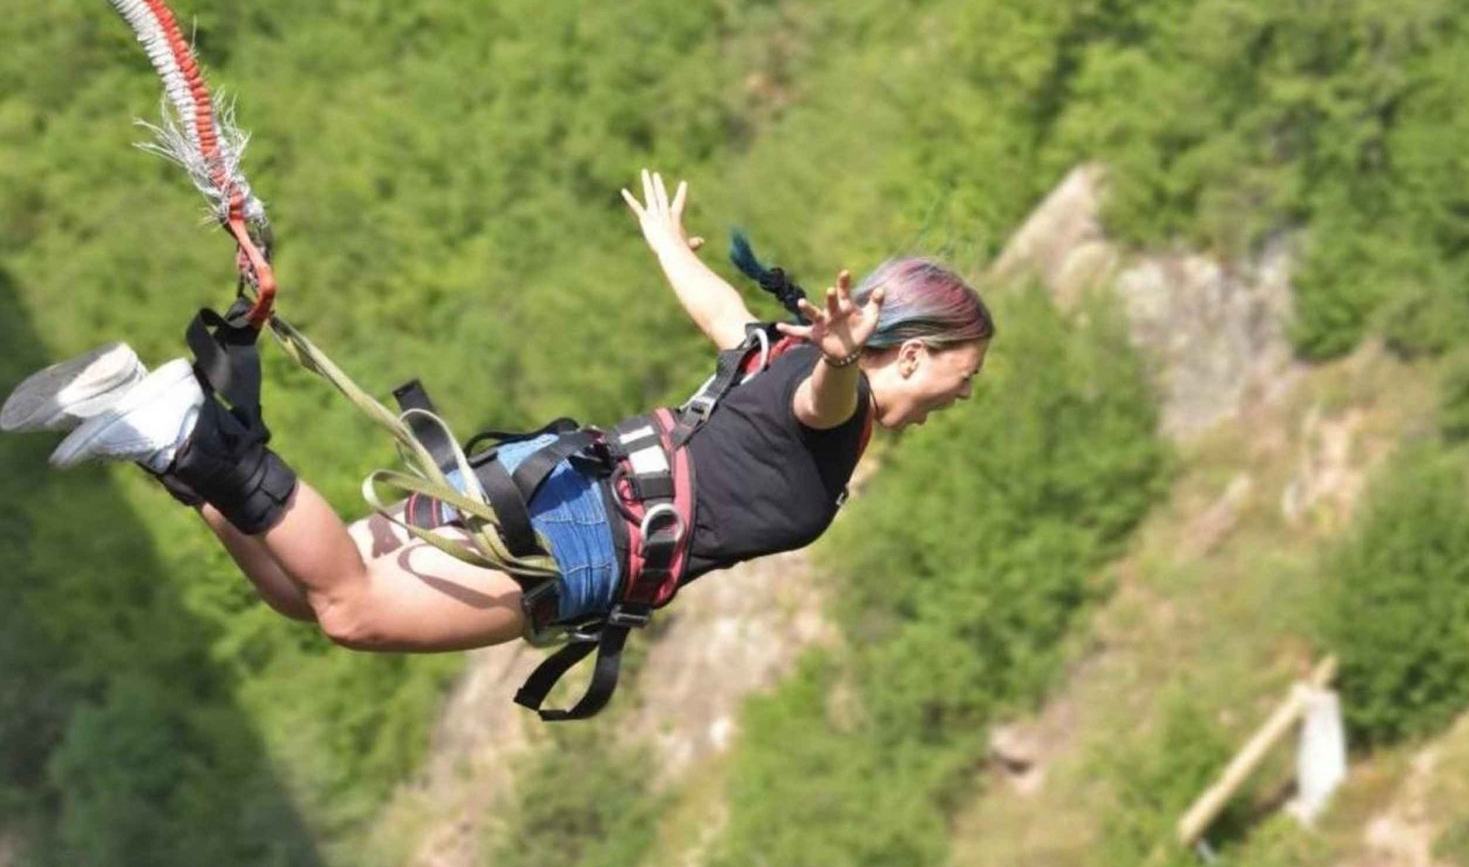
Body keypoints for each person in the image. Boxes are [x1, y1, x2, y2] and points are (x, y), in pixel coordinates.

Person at [1, 170, 992, 660]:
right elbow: (830, 397)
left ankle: (166, 438)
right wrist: (838, 363)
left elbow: (723, 316)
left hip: (560, 482)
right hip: (577, 536)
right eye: (965, 378)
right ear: (913, 353)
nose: (962, 398)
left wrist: (665, 244)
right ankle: (185, 427)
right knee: (350, 609)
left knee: (305, 594)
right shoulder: (831, 394)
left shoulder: (774, 346)